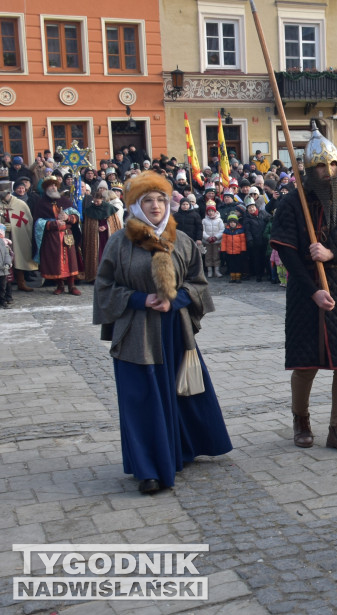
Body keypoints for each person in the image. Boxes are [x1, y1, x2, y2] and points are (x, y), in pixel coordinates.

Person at [92, 171, 231, 495]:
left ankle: (182, 448)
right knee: (143, 401)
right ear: (135, 206)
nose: (156, 206)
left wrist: (176, 299)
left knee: (181, 392)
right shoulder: (119, 243)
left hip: (175, 331)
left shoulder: (180, 240)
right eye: (148, 200)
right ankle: (149, 469)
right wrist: (139, 299)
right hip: (136, 334)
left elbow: (198, 283)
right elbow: (104, 287)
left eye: (161, 200)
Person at [269, 125, 337, 454]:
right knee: (305, 362)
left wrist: (332, 254)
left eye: (332, 164)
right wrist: (312, 290)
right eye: (320, 165)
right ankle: (301, 421)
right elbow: (287, 252)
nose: (327, 171)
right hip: (305, 291)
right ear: (308, 169)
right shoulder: (293, 203)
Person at [32, 175, 83, 295]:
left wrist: (67, 217)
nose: (54, 187)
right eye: (51, 185)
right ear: (46, 188)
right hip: (52, 237)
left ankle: (72, 286)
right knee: (56, 262)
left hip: (67, 235)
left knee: (71, 261)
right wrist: (53, 224)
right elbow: (37, 222)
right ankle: (60, 285)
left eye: (55, 185)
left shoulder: (64, 201)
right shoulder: (41, 204)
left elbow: (77, 217)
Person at [0, 179, 37, 292]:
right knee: (3, 260)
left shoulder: (20, 204)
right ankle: (5, 287)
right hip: (3, 237)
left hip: (18, 236)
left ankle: (21, 283)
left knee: (18, 257)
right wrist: (3, 226)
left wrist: (13, 226)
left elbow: (27, 222)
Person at [80, 190, 123, 283]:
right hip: (95, 237)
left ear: (102, 200)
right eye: (94, 201)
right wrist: (95, 228)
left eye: (98, 201)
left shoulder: (109, 208)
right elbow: (88, 226)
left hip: (106, 236)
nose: (96, 203)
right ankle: (94, 276)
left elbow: (114, 223)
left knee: (107, 255)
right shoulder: (90, 209)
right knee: (96, 256)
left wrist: (106, 227)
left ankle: (108, 276)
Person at [220, 212, 248, 283]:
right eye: (231, 222)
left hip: (238, 251)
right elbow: (224, 242)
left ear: (236, 223)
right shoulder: (226, 231)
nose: (232, 224)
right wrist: (223, 250)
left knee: (238, 264)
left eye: (234, 222)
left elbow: (242, 242)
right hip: (229, 252)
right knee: (231, 265)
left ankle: (238, 277)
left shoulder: (240, 231)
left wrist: (243, 250)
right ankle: (232, 277)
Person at [0, 223, 12, 307]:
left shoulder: (1, 242)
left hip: (2, 270)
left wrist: (7, 263)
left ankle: (2, 300)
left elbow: (6, 254)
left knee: (2, 287)